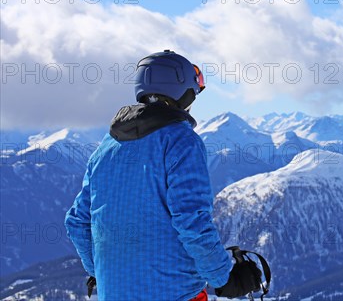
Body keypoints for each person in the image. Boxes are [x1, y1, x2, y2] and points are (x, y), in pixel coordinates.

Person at [65, 50, 251, 300]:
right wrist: (225, 279)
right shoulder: (181, 141)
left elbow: (77, 222)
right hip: (175, 293)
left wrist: (101, 271)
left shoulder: (105, 148)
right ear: (182, 90)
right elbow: (191, 222)